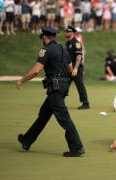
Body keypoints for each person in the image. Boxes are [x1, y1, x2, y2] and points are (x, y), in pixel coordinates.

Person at [16, 26, 85, 157]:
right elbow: (70, 69)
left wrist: (21, 80)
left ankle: (77, 147)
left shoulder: (45, 50)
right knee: (43, 115)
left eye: (42, 37)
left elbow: (36, 70)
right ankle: (27, 140)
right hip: (63, 86)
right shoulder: (63, 50)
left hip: (55, 88)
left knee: (64, 118)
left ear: (44, 36)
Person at [65, 25, 90, 109]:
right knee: (64, 84)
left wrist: (75, 69)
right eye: (66, 31)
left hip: (77, 68)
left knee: (80, 85)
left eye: (68, 31)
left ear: (72, 33)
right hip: (69, 68)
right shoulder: (68, 43)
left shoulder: (76, 43)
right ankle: (59, 101)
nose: (66, 33)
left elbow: (79, 57)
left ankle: (85, 103)